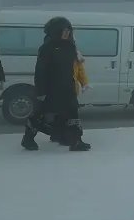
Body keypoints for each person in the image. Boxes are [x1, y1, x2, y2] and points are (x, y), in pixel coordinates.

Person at [20, 16, 91, 152]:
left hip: (68, 88)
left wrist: (81, 83)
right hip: (51, 89)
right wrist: (41, 91)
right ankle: (28, 138)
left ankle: (76, 141)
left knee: (72, 115)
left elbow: (76, 67)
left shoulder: (70, 47)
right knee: (41, 116)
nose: (67, 33)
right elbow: (40, 71)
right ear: (55, 31)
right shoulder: (47, 48)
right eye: (63, 31)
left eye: (68, 31)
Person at [49, 47, 89, 146]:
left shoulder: (75, 53)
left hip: (71, 89)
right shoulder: (56, 50)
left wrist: (84, 83)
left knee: (63, 114)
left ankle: (59, 136)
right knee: (70, 114)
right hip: (61, 89)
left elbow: (80, 70)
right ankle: (73, 139)